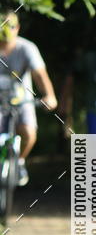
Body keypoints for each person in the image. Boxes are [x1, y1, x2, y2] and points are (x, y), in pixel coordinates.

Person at [0, 9, 57, 186]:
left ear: (17, 27)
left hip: (21, 100)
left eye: (10, 26)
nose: (6, 30)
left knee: (29, 133)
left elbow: (40, 74)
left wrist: (49, 96)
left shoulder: (27, 48)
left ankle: (19, 161)